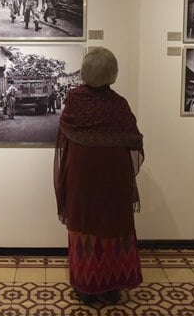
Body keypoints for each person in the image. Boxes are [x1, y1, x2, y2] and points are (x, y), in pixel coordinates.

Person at [54, 47, 144, 305]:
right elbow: (134, 138)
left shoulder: (74, 100)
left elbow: (64, 132)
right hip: (113, 173)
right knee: (113, 221)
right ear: (113, 73)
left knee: (84, 222)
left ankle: (88, 287)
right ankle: (112, 286)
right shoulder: (118, 104)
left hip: (81, 172)